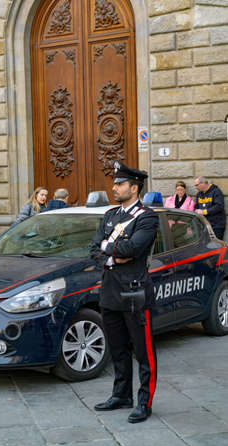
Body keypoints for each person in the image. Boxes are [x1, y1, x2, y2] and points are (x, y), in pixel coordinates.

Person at [90, 161, 158, 424]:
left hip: (135, 294)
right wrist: (111, 254)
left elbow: (134, 249)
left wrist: (110, 250)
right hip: (110, 292)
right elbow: (94, 250)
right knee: (117, 350)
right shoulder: (110, 216)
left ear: (134, 187)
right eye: (115, 183)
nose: (114, 187)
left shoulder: (147, 217)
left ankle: (144, 401)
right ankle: (121, 395)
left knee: (143, 352)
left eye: (120, 184)